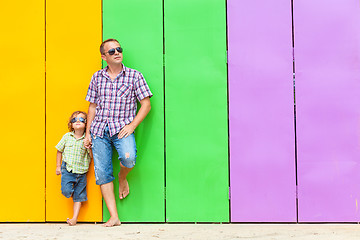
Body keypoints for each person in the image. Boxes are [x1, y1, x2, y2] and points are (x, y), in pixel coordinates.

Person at [84, 38, 152, 227]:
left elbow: (146, 104)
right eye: (112, 51)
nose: (117, 53)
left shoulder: (134, 76)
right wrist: (88, 133)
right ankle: (114, 217)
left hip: (121, 128)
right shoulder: (97, 77)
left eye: (119, 49)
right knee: (103, 173)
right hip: (99, 130)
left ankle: (122, 177)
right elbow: (92, 107)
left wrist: (132, 126)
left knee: (129, 158)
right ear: (104, 56)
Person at [56, 111, 92, 226]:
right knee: (66, 191)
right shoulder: (67, 137)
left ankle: (74, 218)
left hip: (81, 172)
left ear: (86, 124)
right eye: (74, 119)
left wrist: (89, 147)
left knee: (79, 196)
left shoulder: (87, 139)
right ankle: (74, 194)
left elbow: (91, 156)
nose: (77, 121)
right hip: (68, 170)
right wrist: (58, 167)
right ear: (71, 124)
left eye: (81, 119)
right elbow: (59, 150)